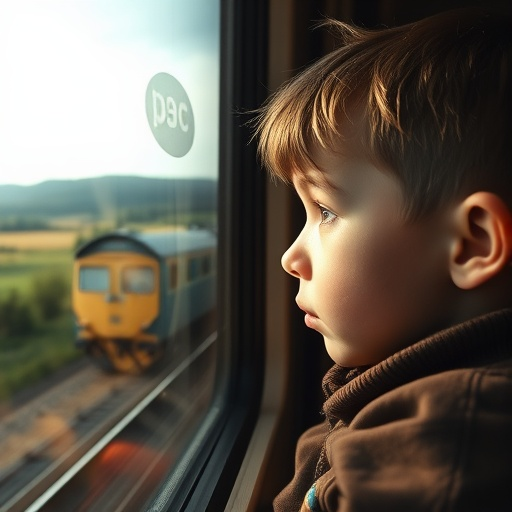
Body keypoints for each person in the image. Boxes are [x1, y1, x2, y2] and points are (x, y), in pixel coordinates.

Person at [255, 7, 512, 512]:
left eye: (325, 210)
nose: (290, 257)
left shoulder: (443, 447)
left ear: (472, 244)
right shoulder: (396, 404)